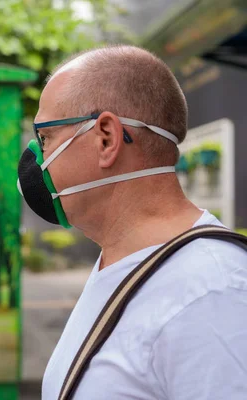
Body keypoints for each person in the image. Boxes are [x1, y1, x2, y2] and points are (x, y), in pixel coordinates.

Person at [17, 45, 247, 399]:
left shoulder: (212, 293)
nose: (36, 159)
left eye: (45, 138)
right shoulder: (124, 259)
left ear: (106, 138)